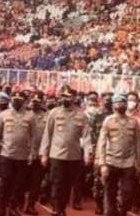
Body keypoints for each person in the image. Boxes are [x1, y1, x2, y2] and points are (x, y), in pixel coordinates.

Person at [39, 87, 91, 216]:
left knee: (68, 184)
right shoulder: (54, 113)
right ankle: (57, 208)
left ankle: (61, 207)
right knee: (57, 182)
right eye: (63, 96)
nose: (65, 99)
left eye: (68, 97)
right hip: (56, 154)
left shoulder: (81, 115)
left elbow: (86, 136)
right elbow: (47, 134)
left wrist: (87, 154)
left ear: (73, 98)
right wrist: (44, 154)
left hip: (73, 155)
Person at [0, 90, 36, 216]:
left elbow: (34, 136)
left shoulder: (30, 116)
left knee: (19, 184)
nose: (17, 102)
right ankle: (1, 208)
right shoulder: (4, 115)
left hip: (22, 156)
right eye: (14, 100)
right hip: (6, 155)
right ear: (11, 100)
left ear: (24, 101)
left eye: (19, 100)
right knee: (4, 183)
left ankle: (13, 207)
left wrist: (32, 153)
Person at [96, 92, 140, 216]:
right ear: (113, 105)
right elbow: (102, 143)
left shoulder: (134, 122)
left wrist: (138, 163)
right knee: (110, 193)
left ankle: (122, 211)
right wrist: (102, 164)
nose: (121, 105)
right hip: (111, 161)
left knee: (128, 193)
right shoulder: (108, 121)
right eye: (118, 103)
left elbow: (138, 144)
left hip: (128, 162)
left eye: (123, 102)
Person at [25, 91, 48, 215]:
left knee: (35, 182)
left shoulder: (47, 116)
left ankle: (30, 205)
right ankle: (16, 205)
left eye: (37, 102)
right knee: (21, 181)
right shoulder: (24, 115)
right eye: (33, 101)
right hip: (23, 153)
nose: (35, 104)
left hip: (39, 154)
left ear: (42, 102)